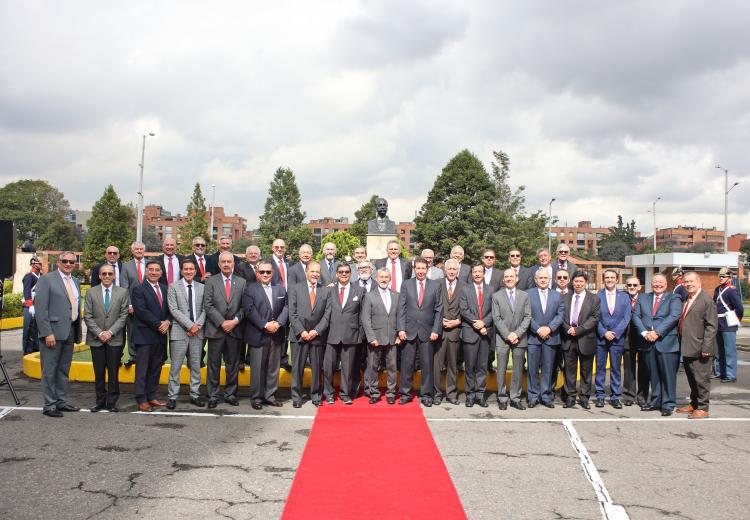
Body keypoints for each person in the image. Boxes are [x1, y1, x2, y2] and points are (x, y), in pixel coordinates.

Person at [34, 252, 82, 418]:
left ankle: (61, 401)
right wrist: (47, 333)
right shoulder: (47, 280)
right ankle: (49, 405)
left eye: (71, 262)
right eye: (65, 261)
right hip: (52, 333)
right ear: (58, 262)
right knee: (49, 370)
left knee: (63, 370)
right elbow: (40, 309)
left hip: (69, 332)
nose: (68, 264)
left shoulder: (75, 281)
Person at [632, 273, 682, 416]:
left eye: (660, 282)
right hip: (647, 342)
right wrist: (644, 333)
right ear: (651, 284)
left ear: (666, 285)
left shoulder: (674, 298)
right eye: (655, 282)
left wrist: (657, 332)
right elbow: (636, 316)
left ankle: (668, 404)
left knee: (667, 375)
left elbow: (674, 316)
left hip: (666, 342)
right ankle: (655, 401)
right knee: (653, 375)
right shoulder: (643, 297)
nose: (657, 285)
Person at [397, 256, 443, 406]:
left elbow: (439, 310)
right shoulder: (406, 284)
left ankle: (427, 395)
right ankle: (405, 393)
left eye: (423, 268)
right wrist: (401, 328)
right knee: (407, 365)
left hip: (428, 332)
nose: (421, 271)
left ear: (427, 269)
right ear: (414, 269)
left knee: (427, 365)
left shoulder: (435, 286)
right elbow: (401, 308)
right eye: (418, 268)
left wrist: (436, 329)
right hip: (409, 331)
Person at [84, 263, 129, 412]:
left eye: (110, 273)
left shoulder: (122, 292)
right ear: (99, 276)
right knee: (99, 372)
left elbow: (123, 316)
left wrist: (110, 332)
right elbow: (88, 316)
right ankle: (100, 401)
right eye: (104, 274)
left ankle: (112, 402)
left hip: (114, 339)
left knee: (113, 372)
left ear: (114, 275)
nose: (107, 276)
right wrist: (100, 333)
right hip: (96, 339)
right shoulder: (91, 292)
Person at [244, 261, 288, 410]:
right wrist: (265, 325)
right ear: (257, 273)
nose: (265, 275)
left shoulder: (280, 289)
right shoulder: (250, 289)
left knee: (273, 368)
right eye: (262, 272)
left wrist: (279, 323)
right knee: (257, 369)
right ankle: (256, 397)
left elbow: (286, 308)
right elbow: (249, 310)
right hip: (258, 334)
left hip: (276, 334)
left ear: (272, 273)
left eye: (268, 272)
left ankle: (270, 396)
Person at [204, 252, 246, 408]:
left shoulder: (241, 282)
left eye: (229, 261)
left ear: (233, 264)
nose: (227, 264)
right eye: (224, 262)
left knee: (232, 365)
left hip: (234, 331)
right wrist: (222, 323)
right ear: (219, 264)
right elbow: (208, 305)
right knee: (213, 365)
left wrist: (234, 321)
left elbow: (244, 306)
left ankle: (230, 394)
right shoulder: (211, 282)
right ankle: (212, 396)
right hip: (216, 330)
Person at [287, 260, 330, 407]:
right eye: (312, 271)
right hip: (299, 336)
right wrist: (302, 331)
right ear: (306, 272)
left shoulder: (325, 290)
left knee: (317, 369)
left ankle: (316, 396)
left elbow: (327, 314)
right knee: (297, 368)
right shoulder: (295, 288)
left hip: (317, 337)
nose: (315, 274)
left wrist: (316, 331)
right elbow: (292, 313)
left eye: (318, 271)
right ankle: (297, 397)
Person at [130, 260, 171, 412]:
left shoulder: (165, 289)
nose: (154, 272)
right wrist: (159, 324)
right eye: (151, 270)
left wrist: (167, 321)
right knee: (142, 369)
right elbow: (141, 310)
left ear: (161, 273)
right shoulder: (138, 289)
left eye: (157, 270)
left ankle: (151, 396)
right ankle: (141, 399)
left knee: (156, 367)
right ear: (146, 272)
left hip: (160, 335)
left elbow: (170, 309)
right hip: (145, 335)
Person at [166, 258, 207, 409]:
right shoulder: (173, 287)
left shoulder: (202, 287)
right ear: (181, 271)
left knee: (196, 366)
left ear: (195, 271)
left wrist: (197, 326)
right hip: (179, 332)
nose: (189, 271)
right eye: (186, 269)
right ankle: (172, 396)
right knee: (175, 366)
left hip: (197, 332)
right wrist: (190, 325)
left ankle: (195, 394)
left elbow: (205, 309)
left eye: (191, 269)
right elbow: (173, 310)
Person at [677, 272, 718, 419]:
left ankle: (703, 407)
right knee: (692, 378)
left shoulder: (706, 300)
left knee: (701, 379)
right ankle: (694, 403)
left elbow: (711, 326)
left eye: (691, 282)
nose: (688, 284)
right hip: (688, 346)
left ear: (699, 282)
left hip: (701, 348)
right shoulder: (688, 299)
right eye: (686, 282)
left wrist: (706, 348)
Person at [323, 263, 363, 404]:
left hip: (351, 335)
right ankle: (328, 393)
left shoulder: (359, 291)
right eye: (341, 272)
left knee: (348, 368)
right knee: (329, 367)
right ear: (337, 274)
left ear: (351, 273)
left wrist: (360, 335)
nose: (344, 274)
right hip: (331, 335)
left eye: (346, 272)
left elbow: (362, 315)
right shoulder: (329, 291)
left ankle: (345, 393)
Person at [491, 268, 531, 410]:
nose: (509, 278)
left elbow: (527, 317)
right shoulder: (496, 296)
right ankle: (502, 397)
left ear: (517, 278)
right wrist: (508, 334)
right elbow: (496, 318)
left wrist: (517, 334)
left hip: (520, 338)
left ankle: (515, 397)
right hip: (502, 338)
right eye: (506, 276)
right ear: (503, 279)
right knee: (501, 369)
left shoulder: (524, 295)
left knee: (518, 369)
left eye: (511, 276)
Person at [560, 271, 601, 409]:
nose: (578, 284)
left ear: (585, 283)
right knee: (569, 370)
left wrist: (578, 330)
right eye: (576, 281)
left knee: (586, 370)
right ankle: (570, 397)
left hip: (585, 338)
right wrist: (568, 329)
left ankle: (584, 397)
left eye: (581, 282)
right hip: (568, 338)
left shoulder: (594, 299)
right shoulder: (565, 297)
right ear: (572, 282)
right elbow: (560, 316)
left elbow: (594, 318)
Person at [362, 268, 401, 404]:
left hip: (392, 338)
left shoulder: (397, 295)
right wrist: (371, 337)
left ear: (390, 279)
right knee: (373, 367)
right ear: (377, 279)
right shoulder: (369, 296)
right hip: (375, 338)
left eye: (386, 277)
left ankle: (391, 393)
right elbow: (365, 319)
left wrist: (398, 334)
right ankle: (374, 392)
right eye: (381, 277)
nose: (384, 279)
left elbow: (400, 317)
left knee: (392, 367)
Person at [526, 268, 564, 408]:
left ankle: (546, 396)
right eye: (540, 278)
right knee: (532, 369)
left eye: (545, 278)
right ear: (536, 280)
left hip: (551, 337)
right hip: (533, 338)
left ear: (550, 280)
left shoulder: (557, 295)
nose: (543, 280)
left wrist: (549, 328)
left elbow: (560, 315)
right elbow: (526, 315)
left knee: (548, 369)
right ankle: (533, 396)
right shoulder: (527, 294)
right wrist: (538, 329)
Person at [595, 269, 631, 408]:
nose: (609, 280)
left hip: (617, 339)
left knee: (616, 368)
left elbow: (626, 317)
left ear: (617, 280)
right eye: (607, 277)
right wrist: (604, 332)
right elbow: (594, 317)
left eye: (612, 277)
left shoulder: (624, 297)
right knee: (600, 368)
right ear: (604, 279)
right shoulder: (597, 296)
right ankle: (600, 395)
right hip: (601, 338)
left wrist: (615, 332)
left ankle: (615, 396)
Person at [459, 264, 493, 407]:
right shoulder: (465, 289)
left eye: (480, 271)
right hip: (470, 332)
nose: (477, 274)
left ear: (484, 274)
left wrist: (484, 323)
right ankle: (470, 395)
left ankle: (480, 395)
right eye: (475, 272)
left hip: (485, 334)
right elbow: (464, 310)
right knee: (470, 366)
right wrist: (477, 324)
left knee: (482, 366)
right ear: (471, 273)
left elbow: (494, 310)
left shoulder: (491, 290)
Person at [434, 259, 464, 405]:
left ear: (458, 271)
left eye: (454, 269)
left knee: (453, 365)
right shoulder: (436, 284)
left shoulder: (464, 286)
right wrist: (439, 322)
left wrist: (458, 321)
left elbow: (466, 308)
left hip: (455, 331)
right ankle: (437, 393)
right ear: (445, 270)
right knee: (437, 365)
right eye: (449, 269)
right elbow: (431, 306)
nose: (452, 271)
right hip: (439, 331)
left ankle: (451, 394)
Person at [622, 276, 649, 407]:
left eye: (634, 285)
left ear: (639, 287)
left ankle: (642, 396)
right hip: (626, 338)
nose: (632, 287)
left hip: (642, 338)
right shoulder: (622, 298)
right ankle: (629, 395)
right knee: (629, 368)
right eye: (629, 285)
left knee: (643, 368)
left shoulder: (645, 298)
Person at [714, 267, 744, 383]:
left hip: (728, 324)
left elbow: (739, 307)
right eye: (720, 276)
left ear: (729, 278)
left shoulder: (731, 290)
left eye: (724, 276)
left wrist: (736, 319)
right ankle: (720, 371)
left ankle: (731, 375)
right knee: (718, 350)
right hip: (718, 323)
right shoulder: (718, 289)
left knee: (729, 350)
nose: (721, 278)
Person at [266, 238, 292, 371]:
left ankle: (283, 358)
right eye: (277, 247)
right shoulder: (267, 263)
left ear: (285, 248)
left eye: (282, 247)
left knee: (285, 331)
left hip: (288, 302)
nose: (279, 249)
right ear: (272, 248)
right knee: (273, 331)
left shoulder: (289, 264)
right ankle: (272, 360)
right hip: (273, 302)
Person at [120, 241, 147, 367]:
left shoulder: (151, 264)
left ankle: (146, 355)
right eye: (136, 249)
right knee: (131, 330)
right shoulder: (126, 266)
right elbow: (124, 287)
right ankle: (133, 355)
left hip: (148, 304)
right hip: (133, 305)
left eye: (141, 249)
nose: (139, 251)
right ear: (132, 251)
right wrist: (129, 304)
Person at [352, 259, 375, 396]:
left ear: (372, 270)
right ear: (357, 270)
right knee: (355, 360)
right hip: (355, 330)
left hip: (373, 330)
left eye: (367, 267)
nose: (364, 269)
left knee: (371, 361)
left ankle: (369, 388)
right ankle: (354, 387)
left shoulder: (378, 286)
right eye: (361, 268)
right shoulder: (351, 285)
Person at [21, 256, 42, 354]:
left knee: (36, 328)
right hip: (29, 306)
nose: (40, 265)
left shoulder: (40, 276)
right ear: (33, 264)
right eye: (39, 263)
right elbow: (27, 292)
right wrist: (30, 305)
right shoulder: (29, 276)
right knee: (28, 328)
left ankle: (35, 347)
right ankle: (27, 349)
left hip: (38, 305)